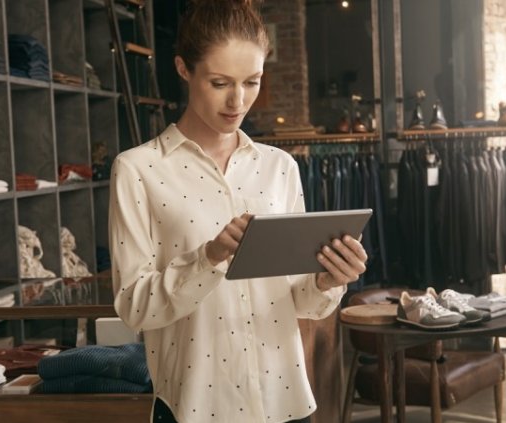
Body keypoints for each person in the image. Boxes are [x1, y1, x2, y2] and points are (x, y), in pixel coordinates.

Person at [108, 1, 368, 422]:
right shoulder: (138, 170)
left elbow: (298, 300)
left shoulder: (280, 167)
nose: (238, 100)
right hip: (195, 407)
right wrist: (208, 258)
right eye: (219, 82)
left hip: (283, 400)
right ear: (183, 68)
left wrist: (327, 278)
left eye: (252, 82)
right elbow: (134, 306)